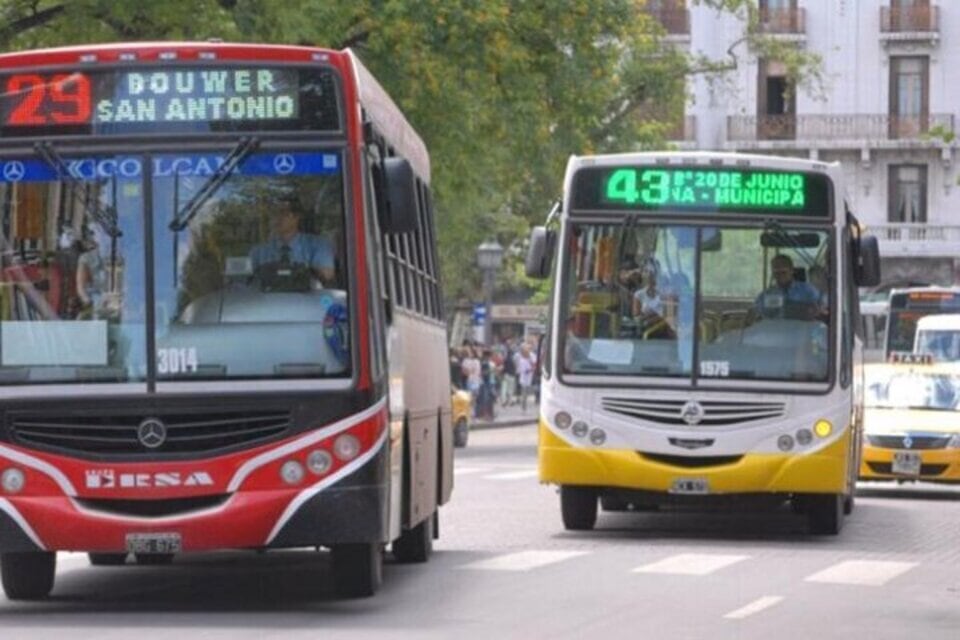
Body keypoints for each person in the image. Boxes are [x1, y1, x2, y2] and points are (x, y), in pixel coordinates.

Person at [249, 193, 335, 287]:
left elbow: (327, 276)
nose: (277, 218)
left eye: (283, 213)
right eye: (273, 213)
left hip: (307, 299)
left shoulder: (318, 245)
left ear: (297, 217)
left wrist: (303, 269)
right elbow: (245, 282)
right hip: (268, 300)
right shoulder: (259, 251)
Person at [754, 254, 821, 320]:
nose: (780, 276)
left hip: (802, 329)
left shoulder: (808, 291)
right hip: (774, 329)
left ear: (792, 271)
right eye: (776, 272)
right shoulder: (765, 295)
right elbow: (756, 313)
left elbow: (819, 311)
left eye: (783, 272)